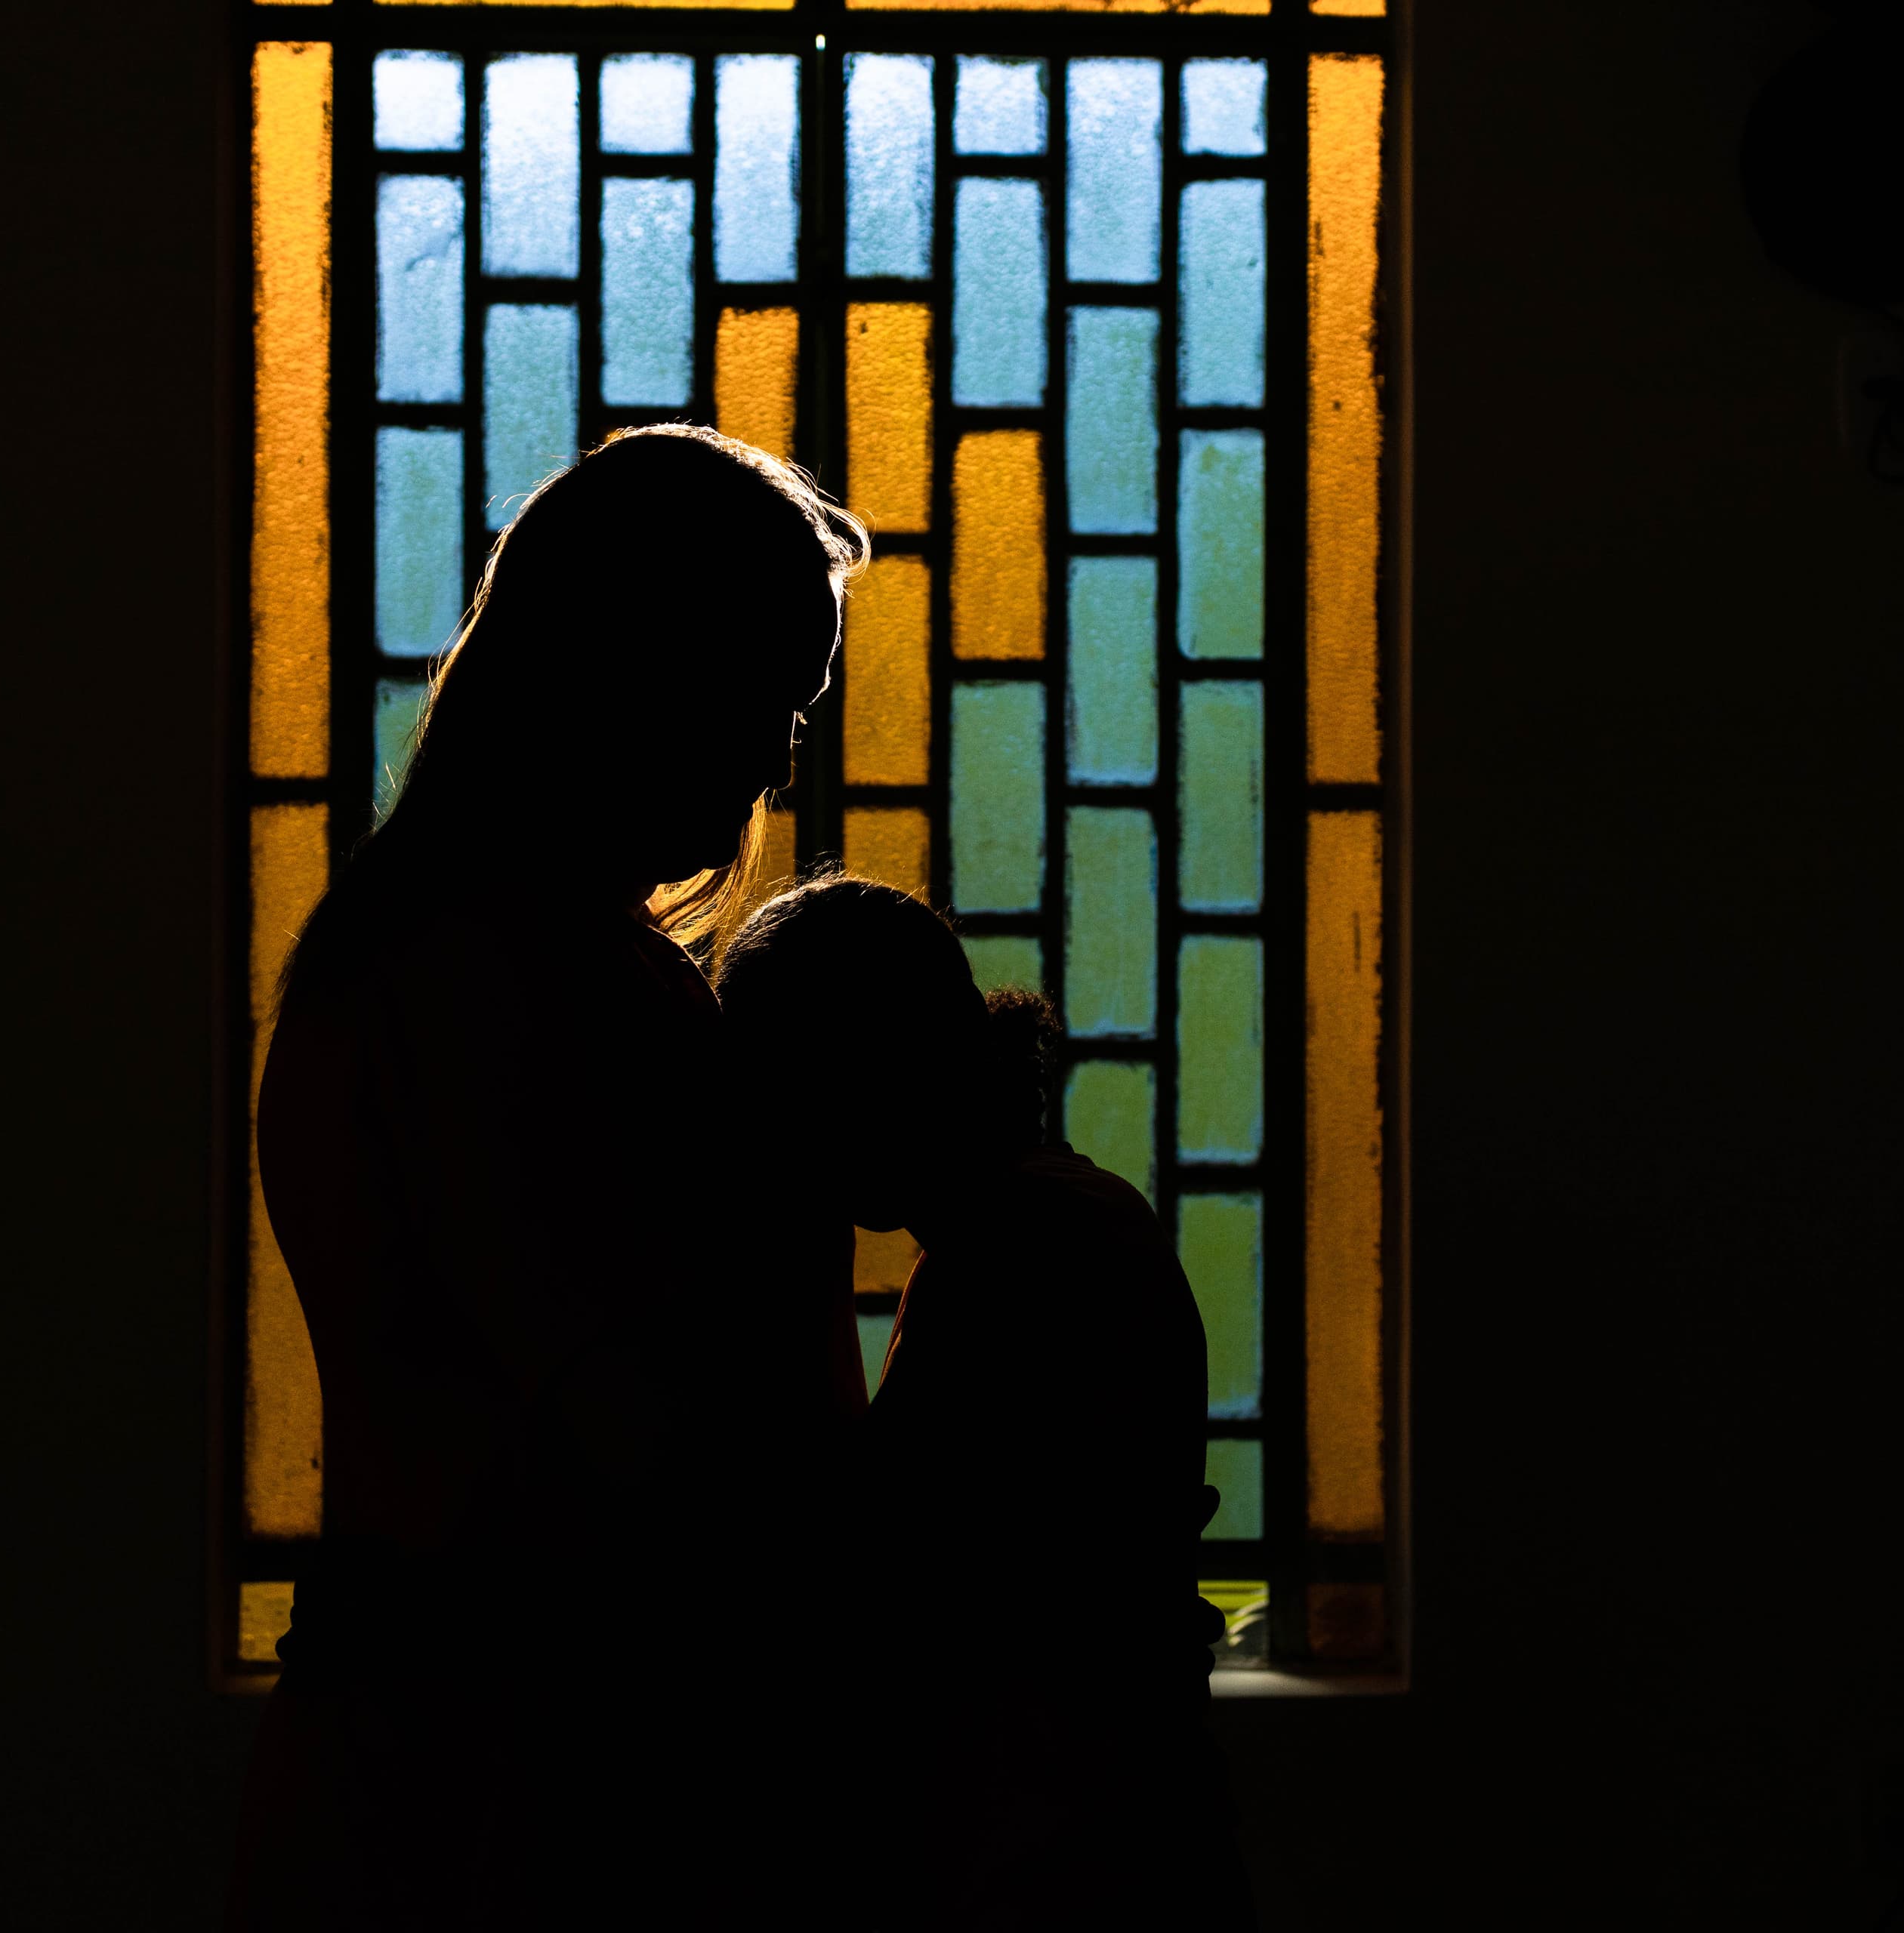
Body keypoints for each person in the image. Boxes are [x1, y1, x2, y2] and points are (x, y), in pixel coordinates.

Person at [229, 427, 869, 1928]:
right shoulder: (512, 975)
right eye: (763, 692)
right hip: (513, 1791)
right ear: (635, 667)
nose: (782, 749)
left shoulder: (422, 950)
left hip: (457, 1746)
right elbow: (649, 1434)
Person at [715, 878, 1254, 1931]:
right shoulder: (1057, 1219)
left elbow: (873, 1575)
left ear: (867, 1069)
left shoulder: (1021, 1251)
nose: (782, 1145)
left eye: (789, 1092)